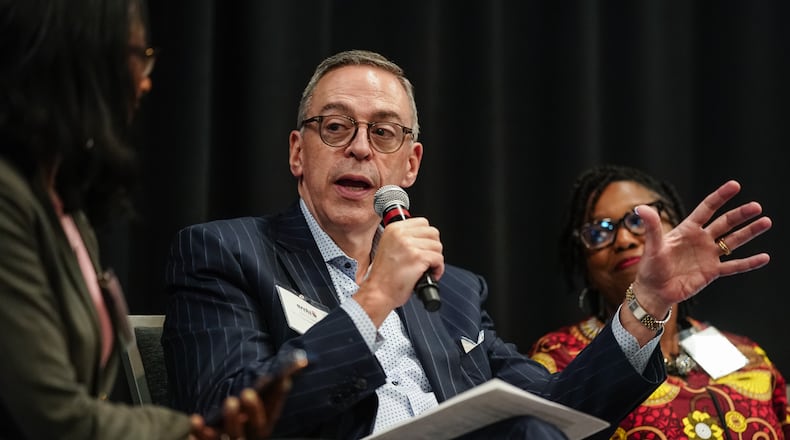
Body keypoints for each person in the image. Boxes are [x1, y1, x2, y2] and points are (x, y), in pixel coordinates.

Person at [162, 49, 772, 439]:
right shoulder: (226, 253)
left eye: (385, 132)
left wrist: (645, 305)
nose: (360, 148)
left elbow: (560, 406)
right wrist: (371, 299)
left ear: (411, 164)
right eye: (336, 127)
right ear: (299, 151)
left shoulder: (450, 291)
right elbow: (223, 418)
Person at [0, 1, 302, 438]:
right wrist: (196, 432)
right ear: (79, 60)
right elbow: (54, 418)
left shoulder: (67, 208)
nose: (146, 82)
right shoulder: (8, 199)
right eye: (138, 56)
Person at [528, 164, 789, 439]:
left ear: (678, 227)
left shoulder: (748, 354)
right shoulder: (557, 358)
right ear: (585, 266)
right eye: (597, 233)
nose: (624, 240)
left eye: (639, 220)